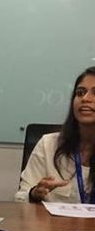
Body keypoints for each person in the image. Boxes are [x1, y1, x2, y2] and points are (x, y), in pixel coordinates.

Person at [16, 67, 95, 203]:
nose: (85, 99)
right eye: (80, 93)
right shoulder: (48, 144)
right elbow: (20, 198)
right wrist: (34, 194)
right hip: (53, 224)